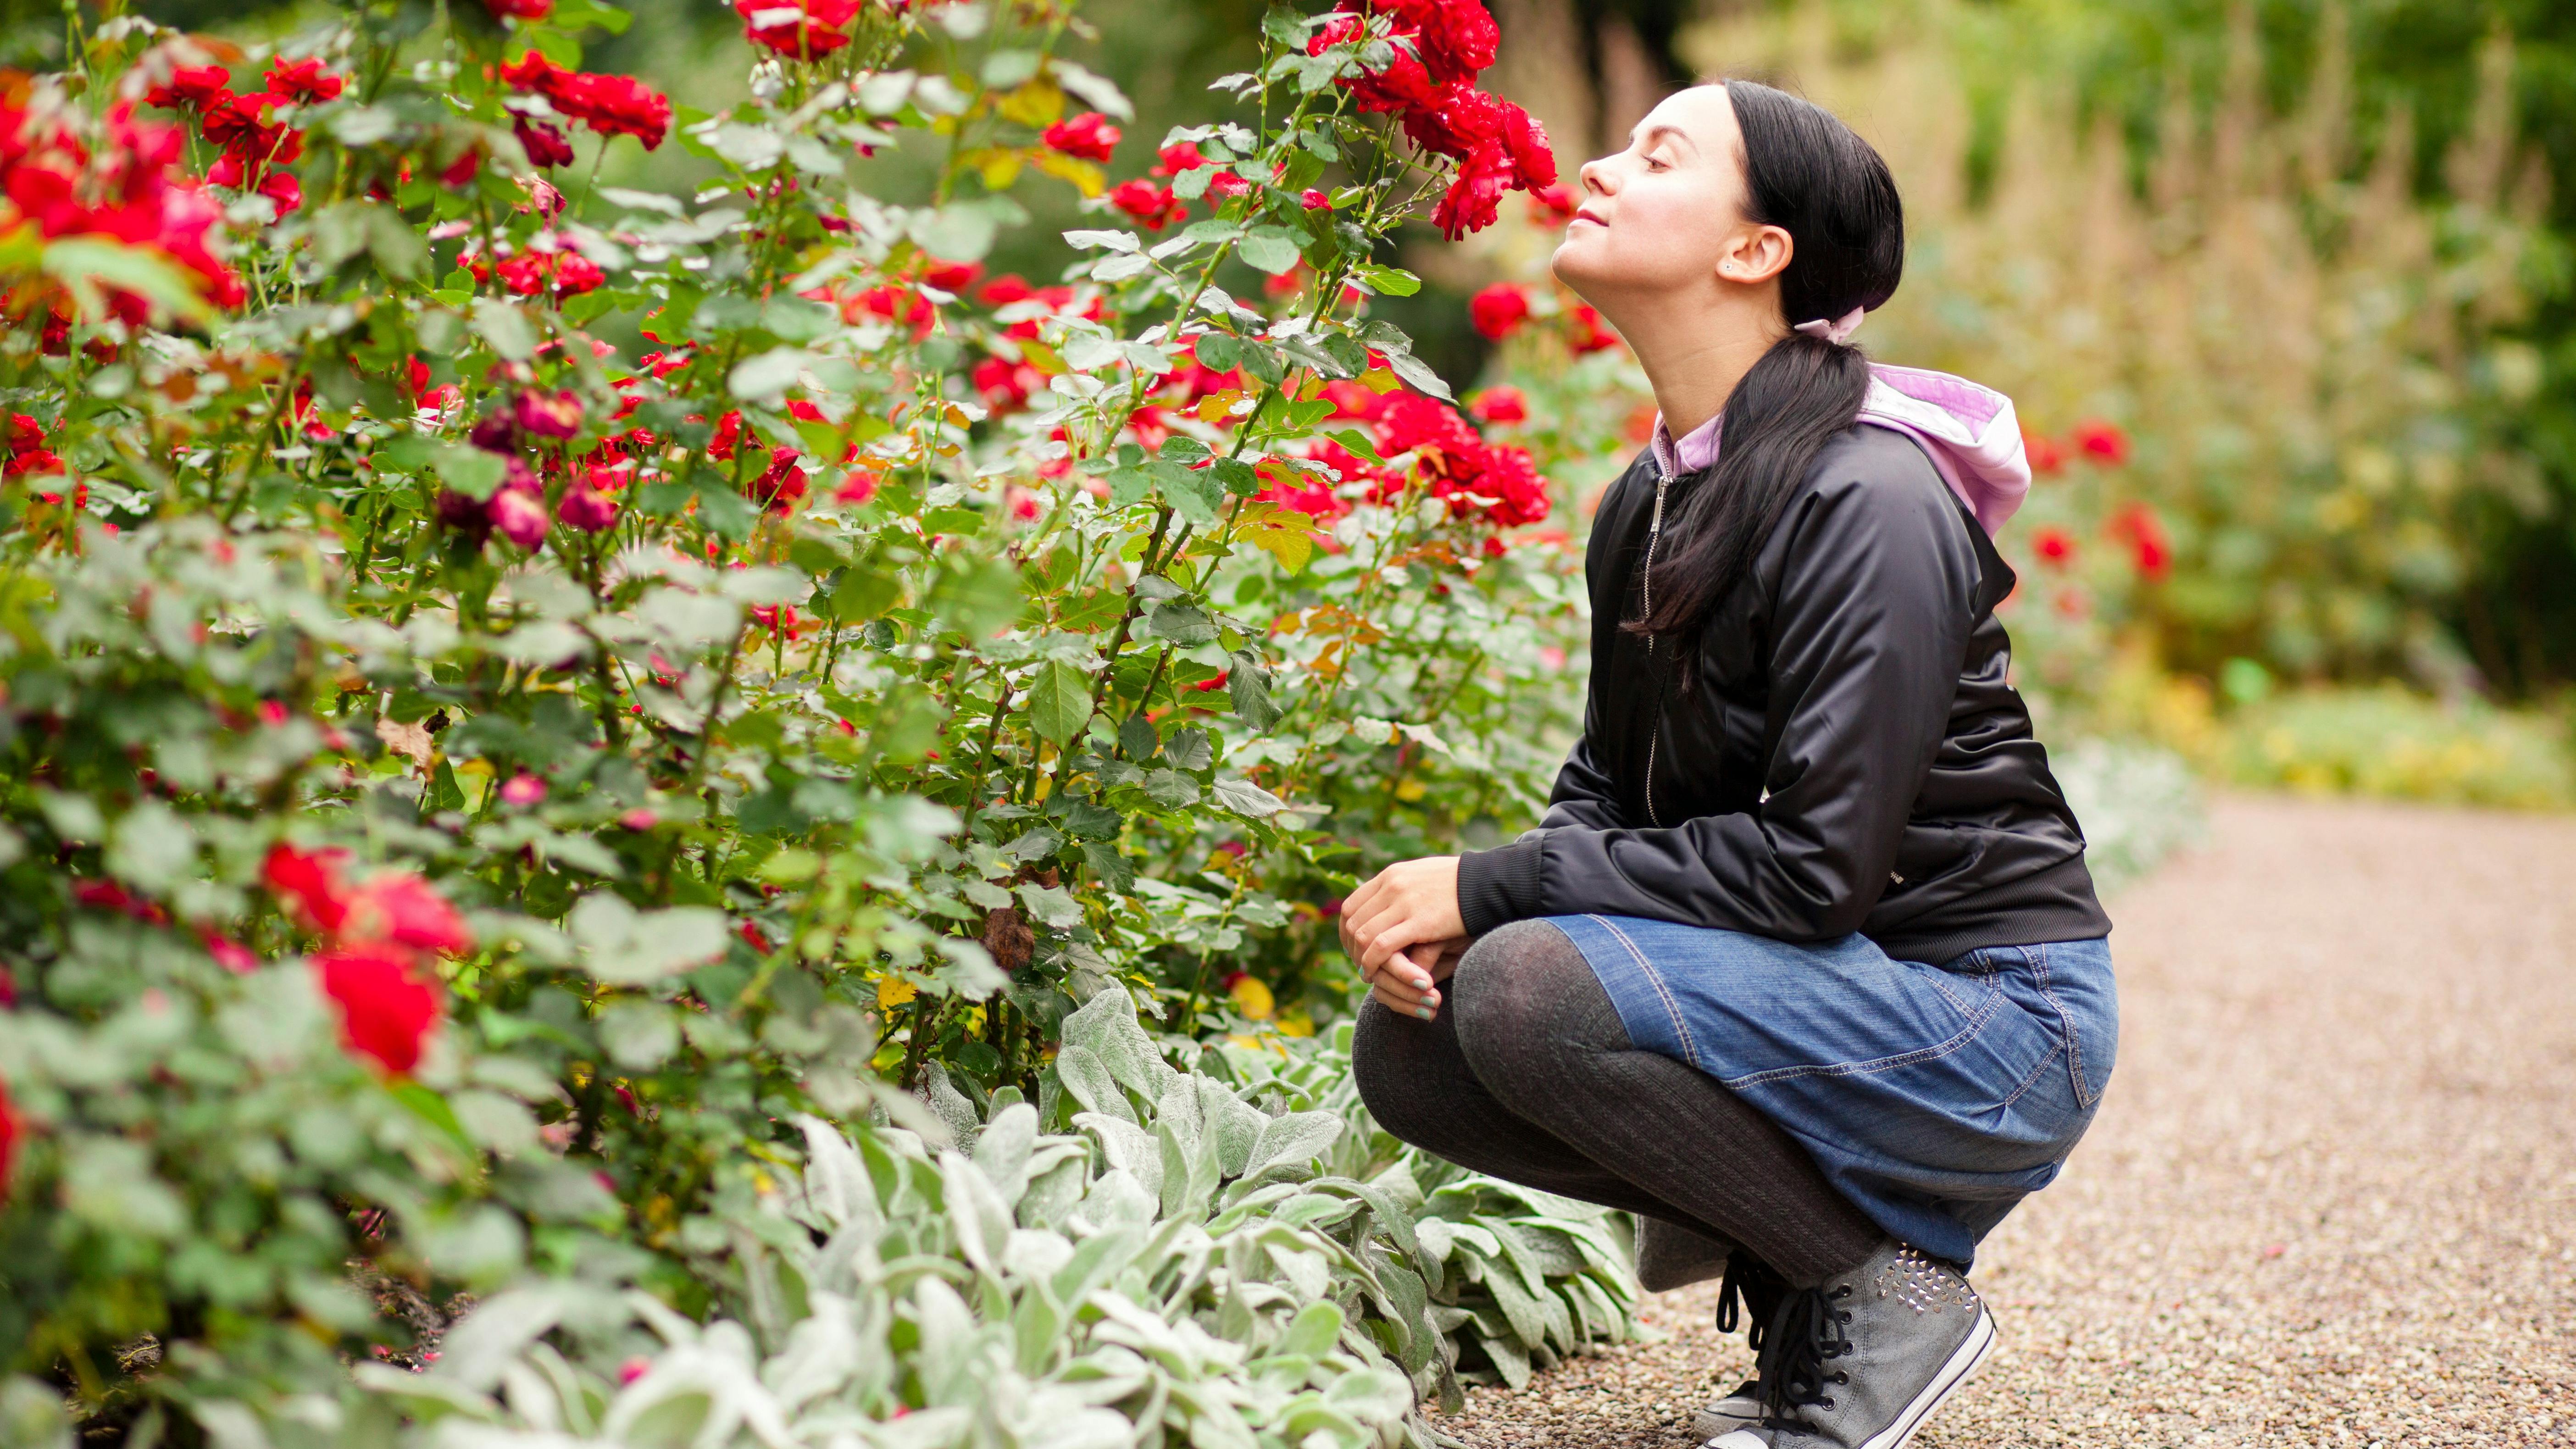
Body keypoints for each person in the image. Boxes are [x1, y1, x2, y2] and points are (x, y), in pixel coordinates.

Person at [1339, 78, 2119, 1449]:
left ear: (1755, 252)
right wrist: (1497, 903)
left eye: (1657, 155)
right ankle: (1838, 1278)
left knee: (1527, 984)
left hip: (1991, 1023)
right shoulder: (1656, 495)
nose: (1595, 167)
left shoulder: (1868, 496)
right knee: (1419, 1048)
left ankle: (1874, 1295)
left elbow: (1816, 872)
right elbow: (1607, 782)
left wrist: (1499, 889)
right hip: (1826, 993)